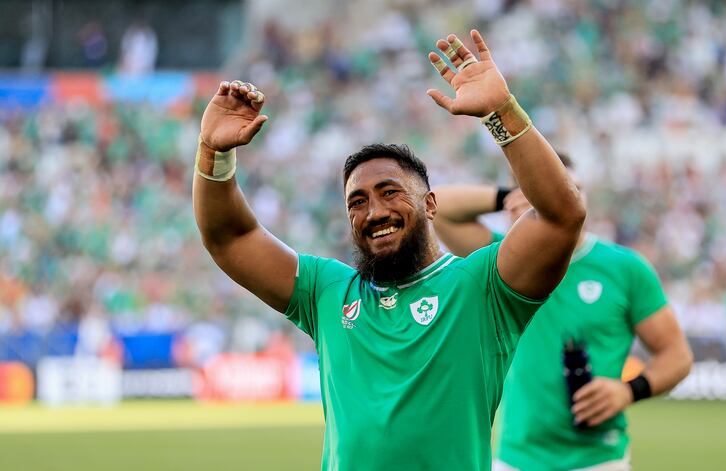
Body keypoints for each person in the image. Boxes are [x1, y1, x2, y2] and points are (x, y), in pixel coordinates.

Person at [192, 30, 585, 470]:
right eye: (356, 203)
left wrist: (502, 113)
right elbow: (230, 239)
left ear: (431, 204)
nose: (374, 211)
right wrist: (213, 155)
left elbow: (560, 216)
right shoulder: (328, 291)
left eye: (389, 192)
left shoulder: (482, 287)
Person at [433, 154, 693, 471]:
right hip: (515, 459)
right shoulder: (504, 263)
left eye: (574, 189)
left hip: (598, 460)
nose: (569, 199)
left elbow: (677, 356)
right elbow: (437, 209)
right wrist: (511, 195)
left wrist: (628, 391)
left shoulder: (625, 268)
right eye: (557, 191)